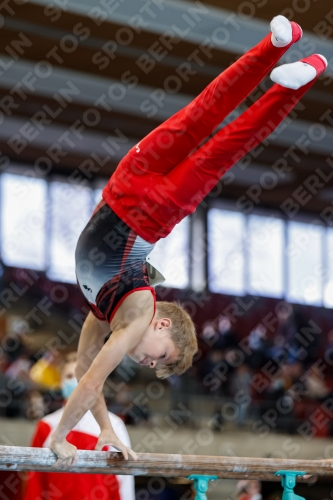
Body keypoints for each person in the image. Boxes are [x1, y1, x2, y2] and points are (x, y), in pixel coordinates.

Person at [50, 15, 327, 466]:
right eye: (163, 359)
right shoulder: (137, 311)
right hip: (153, 207)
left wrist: (103, 428)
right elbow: (93, 376)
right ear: (162, 326)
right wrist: (60, 437)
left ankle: (291, 65)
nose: (153, 366)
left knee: (209, 116)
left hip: (125, 184)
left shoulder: (103, 315)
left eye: (158, 367)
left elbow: (85, 372)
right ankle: (282, 51)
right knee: (215, 122)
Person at [24, 353, 135, 500]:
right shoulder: (46, 425)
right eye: (69, 376)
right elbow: (34, 479)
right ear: (60, 382)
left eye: (80, 377)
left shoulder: (113, 424)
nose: (75, 381)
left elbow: (124, 479)